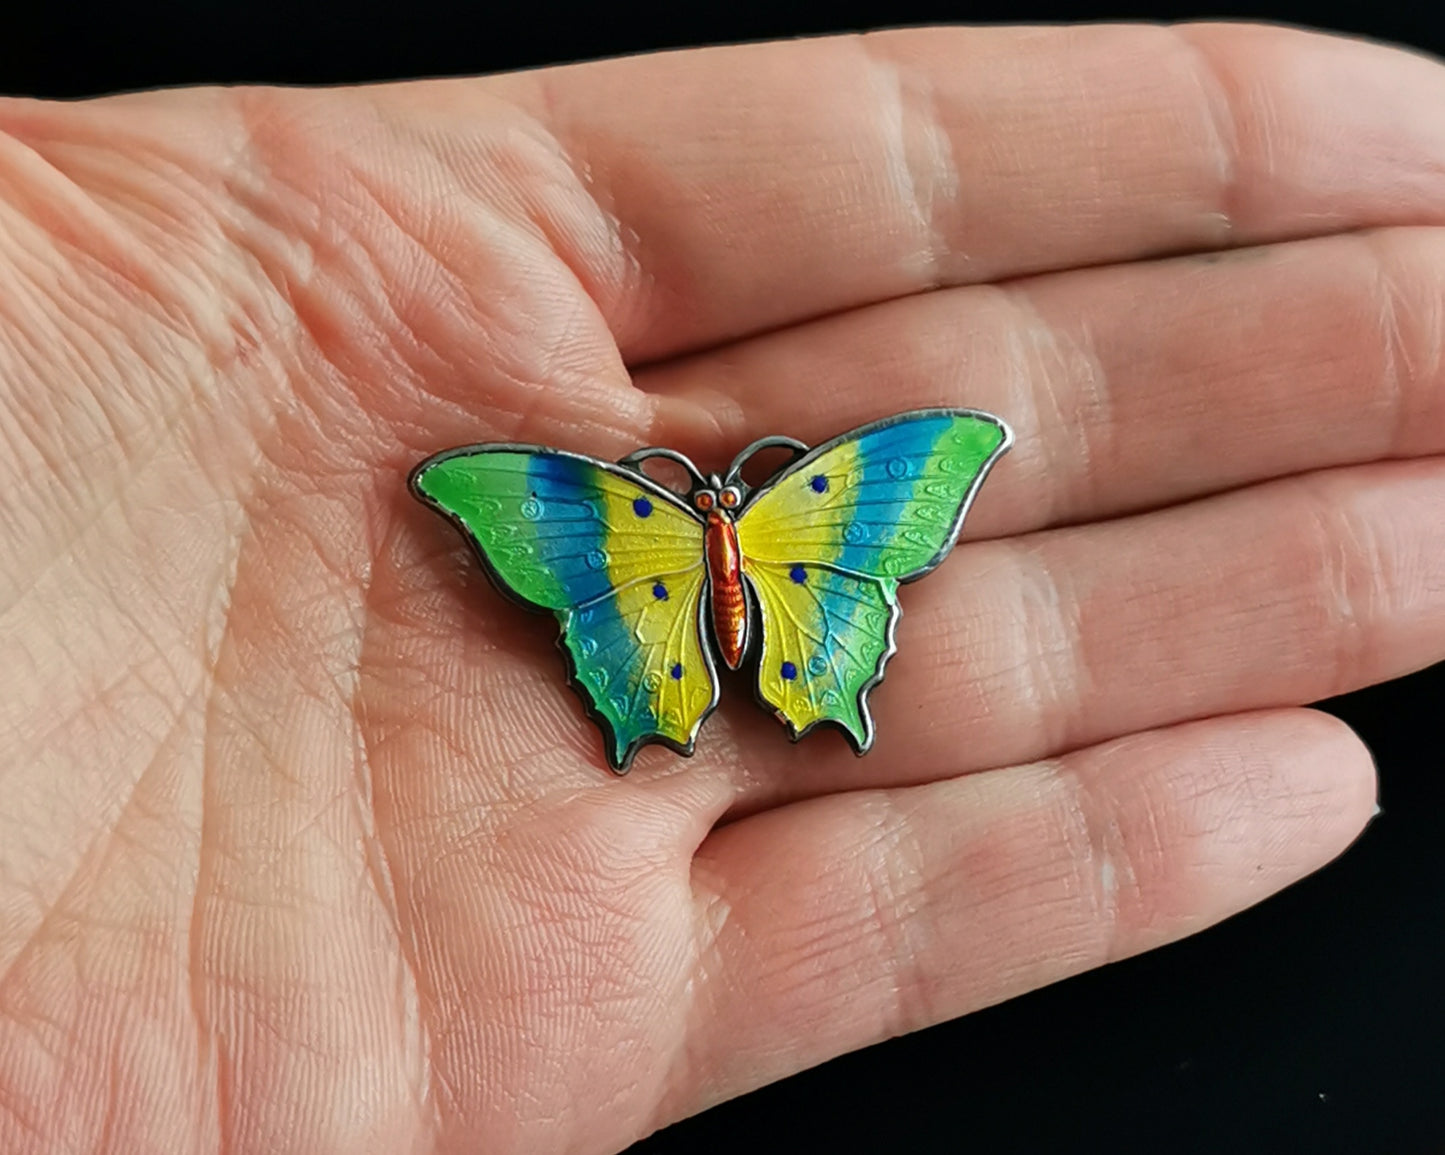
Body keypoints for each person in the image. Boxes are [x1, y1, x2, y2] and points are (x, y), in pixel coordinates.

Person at [0, 20, 1440, 1154]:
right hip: (786, 591)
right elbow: (461, 482)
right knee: (737, 664)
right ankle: (759, 690)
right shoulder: (734, 500)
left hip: (677, 599)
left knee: (712, 659)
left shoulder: (654, 514)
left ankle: (762, 693)